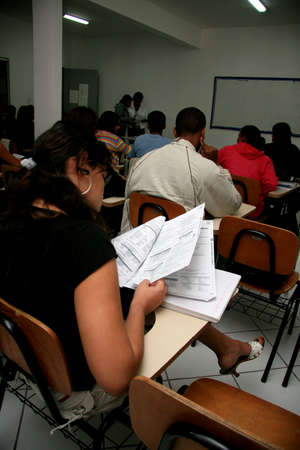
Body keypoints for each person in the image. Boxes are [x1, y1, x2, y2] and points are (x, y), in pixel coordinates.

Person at [0, 121, 263, 421]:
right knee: (163, 301)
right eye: (102, 175)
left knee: (145, 289)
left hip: (28, 366)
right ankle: (225, 353)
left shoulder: (11, 219)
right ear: (79, 167)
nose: (103, 187)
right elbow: (116, 379)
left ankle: (228, 348)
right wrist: (139, 307)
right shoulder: (84, 241)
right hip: (73, 392)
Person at [121, 106, 242, 233]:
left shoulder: (143, 160)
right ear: (202, 134)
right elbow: (232, 203)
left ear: (174, 132)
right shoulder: (204, 167)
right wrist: (215, 164)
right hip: (177, 248)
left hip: (136, 242)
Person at [217, 125, 278, 218]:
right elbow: (270, 185)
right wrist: (257, 190)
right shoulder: (265, 160)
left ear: (243, 138)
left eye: (238, 136)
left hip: (225, 207)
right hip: (252, 212)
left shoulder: (226, 151)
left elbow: (212, 171)